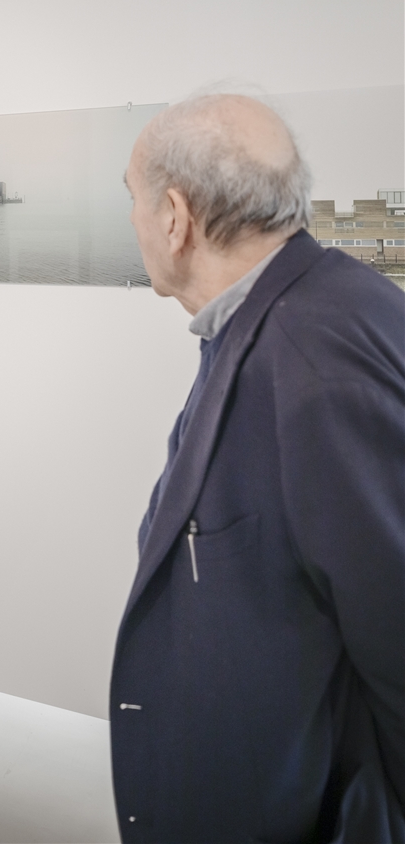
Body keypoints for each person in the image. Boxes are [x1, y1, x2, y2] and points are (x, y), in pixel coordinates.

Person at [111, 93, 404, 843]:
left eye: (133, 198)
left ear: (175, 218)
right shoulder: (310, 308)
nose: (134, 220)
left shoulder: (313, 368)